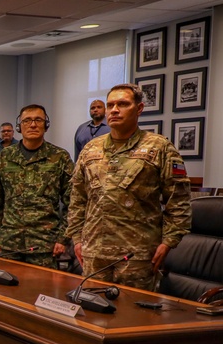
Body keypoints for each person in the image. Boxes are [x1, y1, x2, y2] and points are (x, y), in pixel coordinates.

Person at [67, 84, 191, 291]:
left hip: (138, 254)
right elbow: (78, 198)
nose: (114, 110)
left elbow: (179, 200)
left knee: (133, 316)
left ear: (139, 108)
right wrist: (77, 238)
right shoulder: (90, 149)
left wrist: (169, 241)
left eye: (122, 104)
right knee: (92, 313)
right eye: (110, 105)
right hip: (94, 252)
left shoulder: (160, 147)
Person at [0, 105, 74, 270]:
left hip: (44, 244)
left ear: (46, 125)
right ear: (19, 126)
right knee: (6, 291)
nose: (33, 125)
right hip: (9, 242)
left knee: (40, 291)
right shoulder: (5, 156)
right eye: (27, 120)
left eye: (38, 120)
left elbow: (73, 202)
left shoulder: (59, 157)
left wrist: (63, 238)